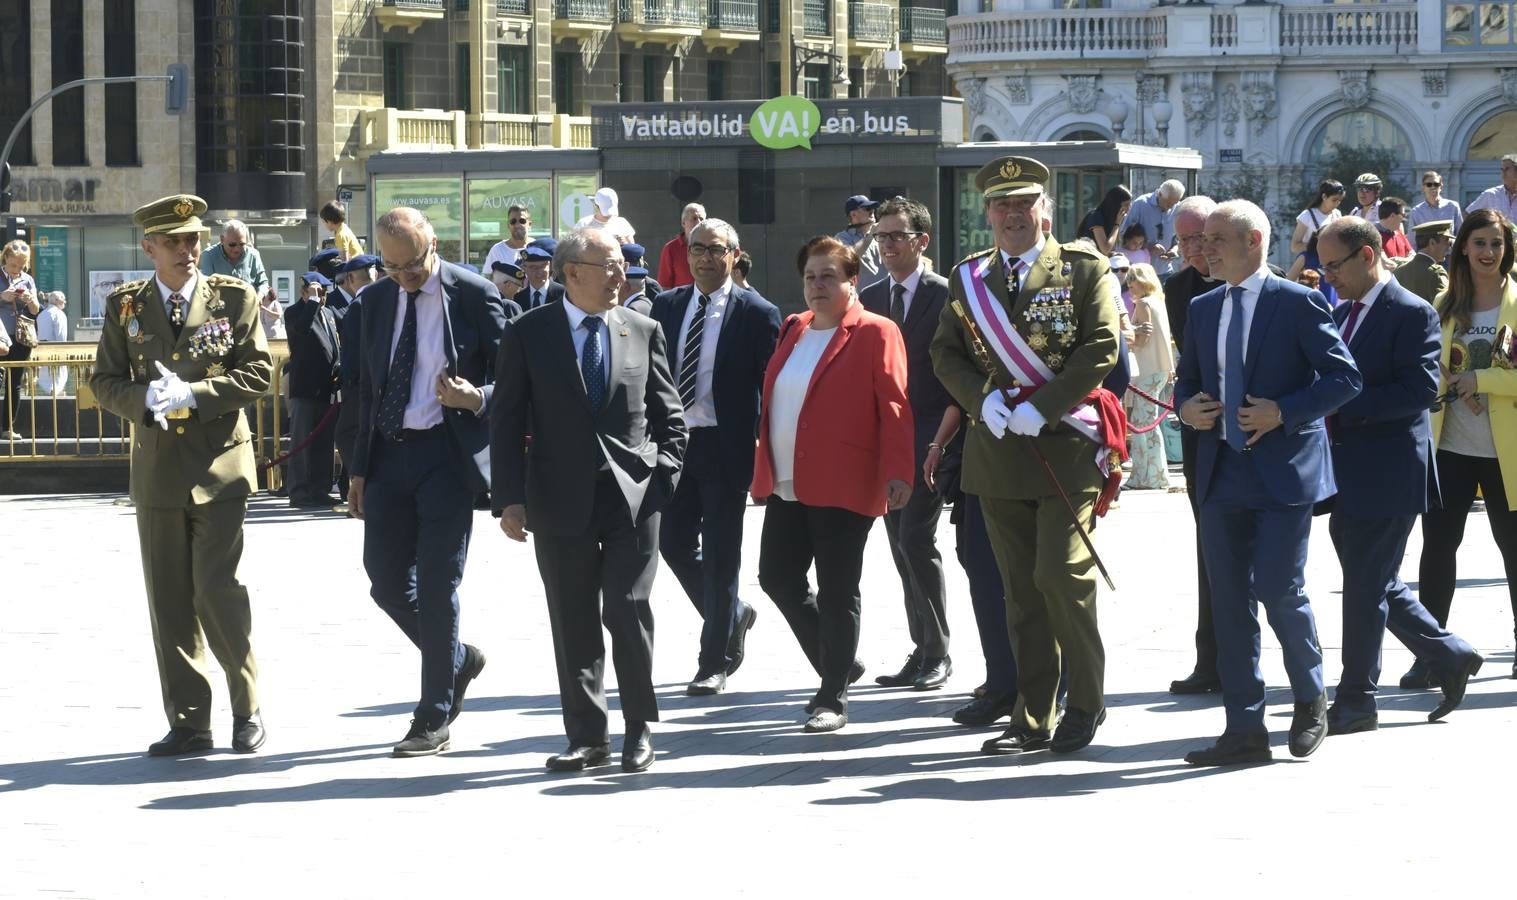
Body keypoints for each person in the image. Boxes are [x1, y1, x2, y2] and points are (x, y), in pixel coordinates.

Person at [930, 155, 1123, 756]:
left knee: (1061, 577)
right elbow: (946, 353)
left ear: (1046, 208)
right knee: (1020, 592)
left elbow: (1101, 345)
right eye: (1001, 204)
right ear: (987, 212)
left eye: (1024, 203)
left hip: (1065, 448)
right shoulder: (967, 279)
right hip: (997, 454)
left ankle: (1086, 704)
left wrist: (1045, 405)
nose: (1013, 214)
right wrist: (980, 398)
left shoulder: (1082, 268)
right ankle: (1032, 715)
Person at [491, 227, 687, 773]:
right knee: (573, 617)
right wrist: (508, 498)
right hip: (557, 498)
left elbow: (670, 412)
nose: (622, 275)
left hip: (632, 497)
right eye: (610, 266)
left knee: (626, 610)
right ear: (571, 272)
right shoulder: (529, 332)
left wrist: (664, 474)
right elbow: (506, 419)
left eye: (623, 265)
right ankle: (587, 735)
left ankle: (639, 729)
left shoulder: (643, 329)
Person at [1174, 199, 1361, 766]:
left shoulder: (1299, 303)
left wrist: (1285, 410)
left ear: (1254, 240)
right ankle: (1245, 728)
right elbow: (1187, 381)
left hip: (1283, 473)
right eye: (1202, 240)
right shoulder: (1204, 307)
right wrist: (1188, 409)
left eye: (1216, 240)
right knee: (1228, 602)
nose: (1204, 249)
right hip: (1219, 472)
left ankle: (1310, 698)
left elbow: (1344, 378)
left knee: (1279, 588)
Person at [89, 194, 274, 756]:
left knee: (216, 591)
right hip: (158, 471)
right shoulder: (125, 306)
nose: (187, 250)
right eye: (173, 241)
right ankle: (191, 720)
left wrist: (192, 394)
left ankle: (247, 706)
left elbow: (259, 372)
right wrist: (146, 400)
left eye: (193, 239)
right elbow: (103, 380)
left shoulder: (233, 297)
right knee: (168, 599)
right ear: (149, 247)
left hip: (219, 467)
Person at [347, 207, 509, 757]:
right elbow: (361, 390)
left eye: (413, 265)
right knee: (386, 582)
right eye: (391, 268)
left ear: (433, 245)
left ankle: (432, 715)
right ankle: (457, 660)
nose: (405, 277)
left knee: (439, 585)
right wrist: (358, 470)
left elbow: (514, 376)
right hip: (389, 458)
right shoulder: (370, 303)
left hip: (447, 455)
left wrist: (476, 397)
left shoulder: (474, 293)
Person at [1314, 217, 1484, 733]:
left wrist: (1337, 405)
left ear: (1367, 256)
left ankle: (1357, 700)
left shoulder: (1411, 312)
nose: (1328, 277)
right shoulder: (1341, 310)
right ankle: (1451, 653)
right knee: (1376, 581)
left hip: (1388, 472)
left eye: (1334, 265)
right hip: (1346, 471)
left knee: (1365, 587)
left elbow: (1417, 392)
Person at [753, 235, 912, 733]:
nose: (817, 285)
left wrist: (899, 471)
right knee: (776, 577)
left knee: (839, 586)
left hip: (846, 478)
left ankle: (832, 695)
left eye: (828, 276)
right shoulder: (794, 328)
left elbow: (895, 404)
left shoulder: (875, 331)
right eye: (809, 276)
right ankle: (838, 658)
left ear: (852, 281)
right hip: (787, 477)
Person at [649, 218, 780, 695]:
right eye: (696, 248)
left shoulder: (757, 312)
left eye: (715, 249)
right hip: (675, 446)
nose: (704, 257)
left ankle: (714, 661)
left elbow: (770, 389)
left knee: (723, 555)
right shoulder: (665, 305)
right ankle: (733, 615)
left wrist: (770, 454)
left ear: (734, 255)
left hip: (727, 449)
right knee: (674, 543)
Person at [1409, 208, 1517, 684]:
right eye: (1479, 244)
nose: (1488, 253)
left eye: (1496, 244)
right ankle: (1434, 653)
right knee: (1436, 551)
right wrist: (1443, 381)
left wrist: (1482, 378)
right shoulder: (1443, 304)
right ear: (1464, 250)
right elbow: (1426, 370)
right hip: (1450, 447)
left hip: (1507, 454)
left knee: (1513, 551)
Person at [859, 197, 957, 691]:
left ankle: (937, 651)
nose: (888, 244)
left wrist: (941, 443)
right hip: (884, 446)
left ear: (922, 241)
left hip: (931, 441)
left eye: (897, 235)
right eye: (881, 236)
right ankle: (921, 648)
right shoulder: (870, 297)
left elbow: (955, 374)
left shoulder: (946, 295)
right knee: (899, 547)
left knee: (916, 540)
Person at [1162, 194, 1224, 694]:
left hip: (1255, 434)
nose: (1188, 250)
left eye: (1196, 239)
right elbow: (1186, 364)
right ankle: (1211, 660)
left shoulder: (1259, 283)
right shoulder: (1176, 288)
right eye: (1181, 240)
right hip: (1201, 435)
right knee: (1208, 547)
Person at [283, 272, 342, 509]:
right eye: (317, 291)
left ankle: (319, 488)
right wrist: (312, 303)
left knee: (323, 443)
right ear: (303, 291)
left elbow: (333, 345)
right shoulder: (296, 313)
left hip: (326, 388)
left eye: (325, 292)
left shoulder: (327, 313)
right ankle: (299, 491)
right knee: (302, 442)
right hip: (305, 388)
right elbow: (300, 332)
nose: (322, 296)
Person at [332, 255, 381, 515]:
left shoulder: (359, 304)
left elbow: (354, 350)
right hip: (377, 381)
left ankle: (361, 490)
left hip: (360, 382)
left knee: (347, 434)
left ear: (350, 278)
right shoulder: (382, 299)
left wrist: (347, 380)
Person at [1125, 263, 1172, 490]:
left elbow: (1141, 340)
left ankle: (1146, 476)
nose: (1130, 286)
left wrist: (1124, 334)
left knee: (1141, 426)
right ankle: (1155, 474)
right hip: (1160, 369)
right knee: (1149, 425)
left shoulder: (1143, 304)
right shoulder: (1158, 302)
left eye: (1132, 281)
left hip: (1146, 370)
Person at [0, 239, 40, 440]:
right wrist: (3, 297)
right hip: (1, 337)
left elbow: (35, 311)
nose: (17, 270)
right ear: (5, 258)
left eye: (21, 266)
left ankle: (8, 429)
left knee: (14, 383)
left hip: (21, 337)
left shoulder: (28, 280)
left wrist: (31, 301)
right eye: (13, 264)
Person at [1119, 179, 1185, 275]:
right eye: (1168, 203)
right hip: (1141, 272)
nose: (1171, 207)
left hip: (1165, 270)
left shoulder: (1178, 208)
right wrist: (1146, 247)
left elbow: (1178, 238)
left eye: (1174, 203)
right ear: (1160, 194)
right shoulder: (1140, 204)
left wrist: (1174, 250)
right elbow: (1124, 235)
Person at [198, 221, 270, 296]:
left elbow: (263, 283)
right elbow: (205, 286)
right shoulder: (209, 255)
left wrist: (259, 298)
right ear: (222, 239)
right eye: (232, 245)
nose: (237, 249)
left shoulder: (253, 255)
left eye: (242, 244)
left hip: (247, 305)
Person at [834, 194, 888, 290]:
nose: (872, 211)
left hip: (886, 297)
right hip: (862, 299)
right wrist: (871, 235)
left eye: (872, 207)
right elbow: (848, 258)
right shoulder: (842, 238)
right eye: (866, 208)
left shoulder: (880, 235)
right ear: (853, 214)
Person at [1398, 220, 1454, 304]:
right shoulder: (1436, 273)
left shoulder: (1399, 271)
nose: (1448, 247)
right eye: (1446, 241)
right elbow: (1445, 307)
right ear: (1432, 243)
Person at [1291, 179, 1346, 256]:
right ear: (1324, 196)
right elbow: (1294, 246)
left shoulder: (1337, 214)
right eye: (1334, 200)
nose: (1337, 204)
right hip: (1311, 263)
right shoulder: (1307, 215)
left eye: (1340, 200)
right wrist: (1316, 246)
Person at [657, 202, 705, 289]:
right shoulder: (670, 248)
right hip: (681, 301)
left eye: (701, 219)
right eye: (694, 218)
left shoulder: (711, 246)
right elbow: (664, 285)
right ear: (683, 223)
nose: (699, 222)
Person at [1076, 184, 1132, 256]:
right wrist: (1117, 225)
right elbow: (1105, 249)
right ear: (1115, 205)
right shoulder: (1096, 216)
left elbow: (1104, 251)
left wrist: (1112, 254)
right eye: (1126, 205)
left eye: (1130, 204)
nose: (1129, 208)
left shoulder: (1110, 219)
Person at [1465, 153, 1517, 218]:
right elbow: (1469, 215)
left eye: (1507, 169)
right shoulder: (1490, 195)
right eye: (1502, 170)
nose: (1503, 173)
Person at [514, 241, 563, 311]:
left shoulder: (563, 294)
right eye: (533, 267)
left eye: (543, 266)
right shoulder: (518, 298)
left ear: (549, 266)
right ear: (524, 268)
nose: (539, 271)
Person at [36, 291, 68, 396]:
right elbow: (61, 337)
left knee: (47, 379)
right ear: (57, 300)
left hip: (42, 353)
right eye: (63, 298)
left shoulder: (41, 315)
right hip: (56, 353)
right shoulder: (59, 314)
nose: (65, 301)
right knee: (58, 380)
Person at [484, 204, 533, 271]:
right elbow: (488, 277)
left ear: (529, 224)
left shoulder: (538, 248)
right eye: (513, 221)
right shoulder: (497, 250)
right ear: (508, 225)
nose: (517, 225)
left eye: (522, 221)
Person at [1377, 198, 1415, 266]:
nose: (1404, 219)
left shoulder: (1398, 232)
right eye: (1403, 215)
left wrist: (1399, 260)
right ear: (1392, 216)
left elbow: (1413, 255)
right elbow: (1386, 263)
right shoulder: (1374, 236)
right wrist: (1406, 261)